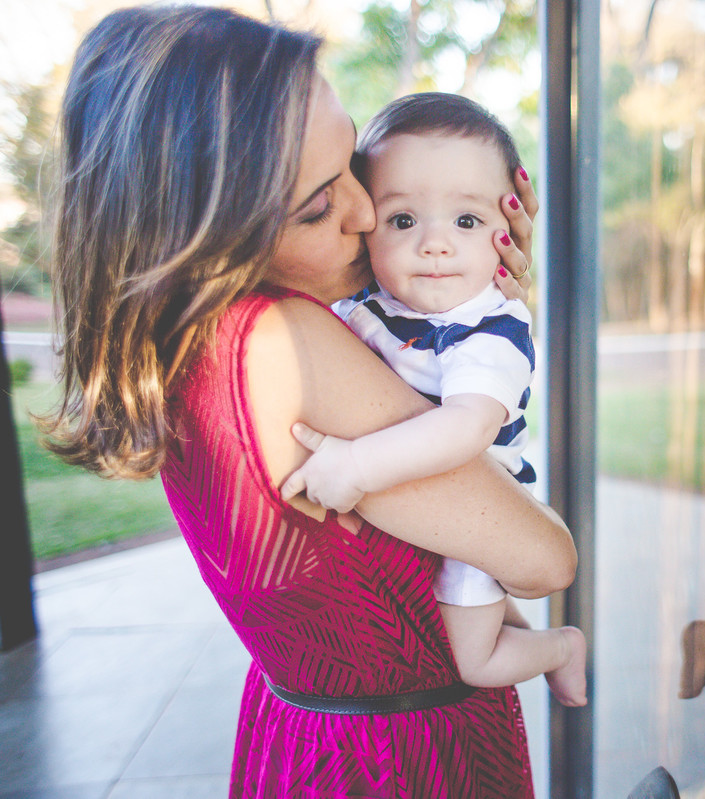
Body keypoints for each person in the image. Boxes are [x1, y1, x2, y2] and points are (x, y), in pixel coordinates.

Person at [42, 6, 576, 797]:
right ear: (207, 230)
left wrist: (463, 305)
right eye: (319, 205)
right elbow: (543, 558)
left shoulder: (190, 338)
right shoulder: (286, 342)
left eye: (355, 164)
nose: (366, 212)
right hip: (402, 758)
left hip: (298, 731)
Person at [280, 92, 587, 707]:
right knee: (465, 619)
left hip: (482, 496)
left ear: (508, 230)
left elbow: (467, 428)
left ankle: (561, 648)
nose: (436, 245)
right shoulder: (366, 304)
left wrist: (356, 466)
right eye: (403, 220)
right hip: (421, 524)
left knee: (476, 659)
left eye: (466, 221)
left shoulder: (489, 330)